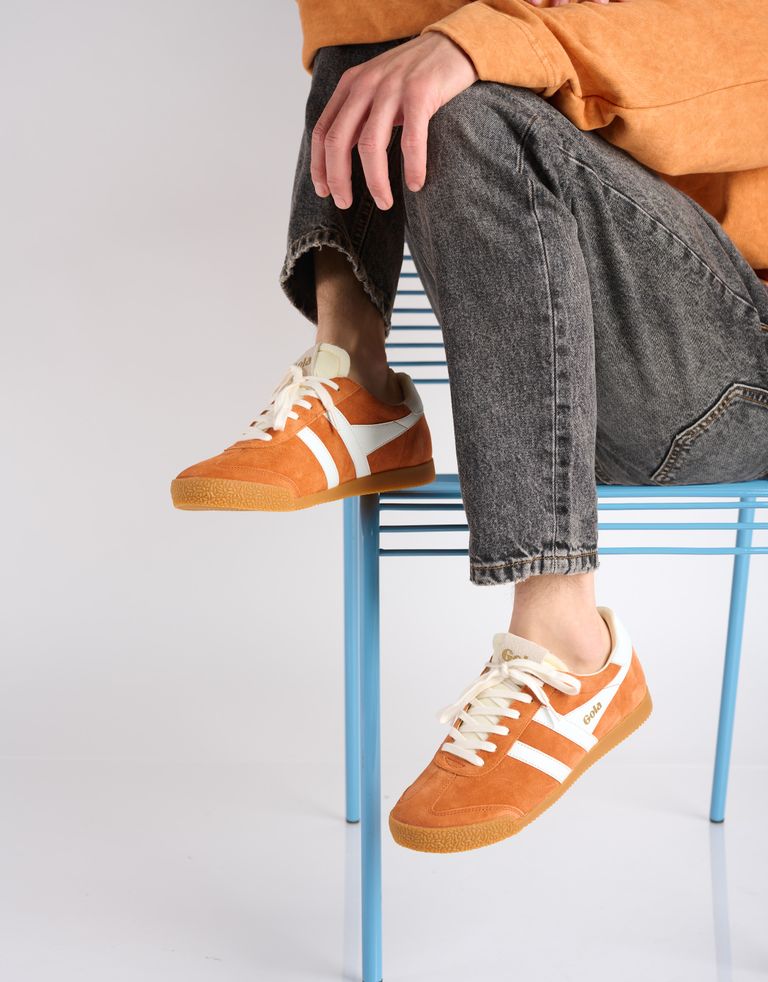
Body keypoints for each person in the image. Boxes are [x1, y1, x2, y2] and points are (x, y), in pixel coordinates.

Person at [171, 0, 768, 853]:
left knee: (457, 97)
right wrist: (460, 35)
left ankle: (568, 643)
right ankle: (356, 378)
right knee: (381, 54)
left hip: (738, 379)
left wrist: (490, 37)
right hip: (580, 377)